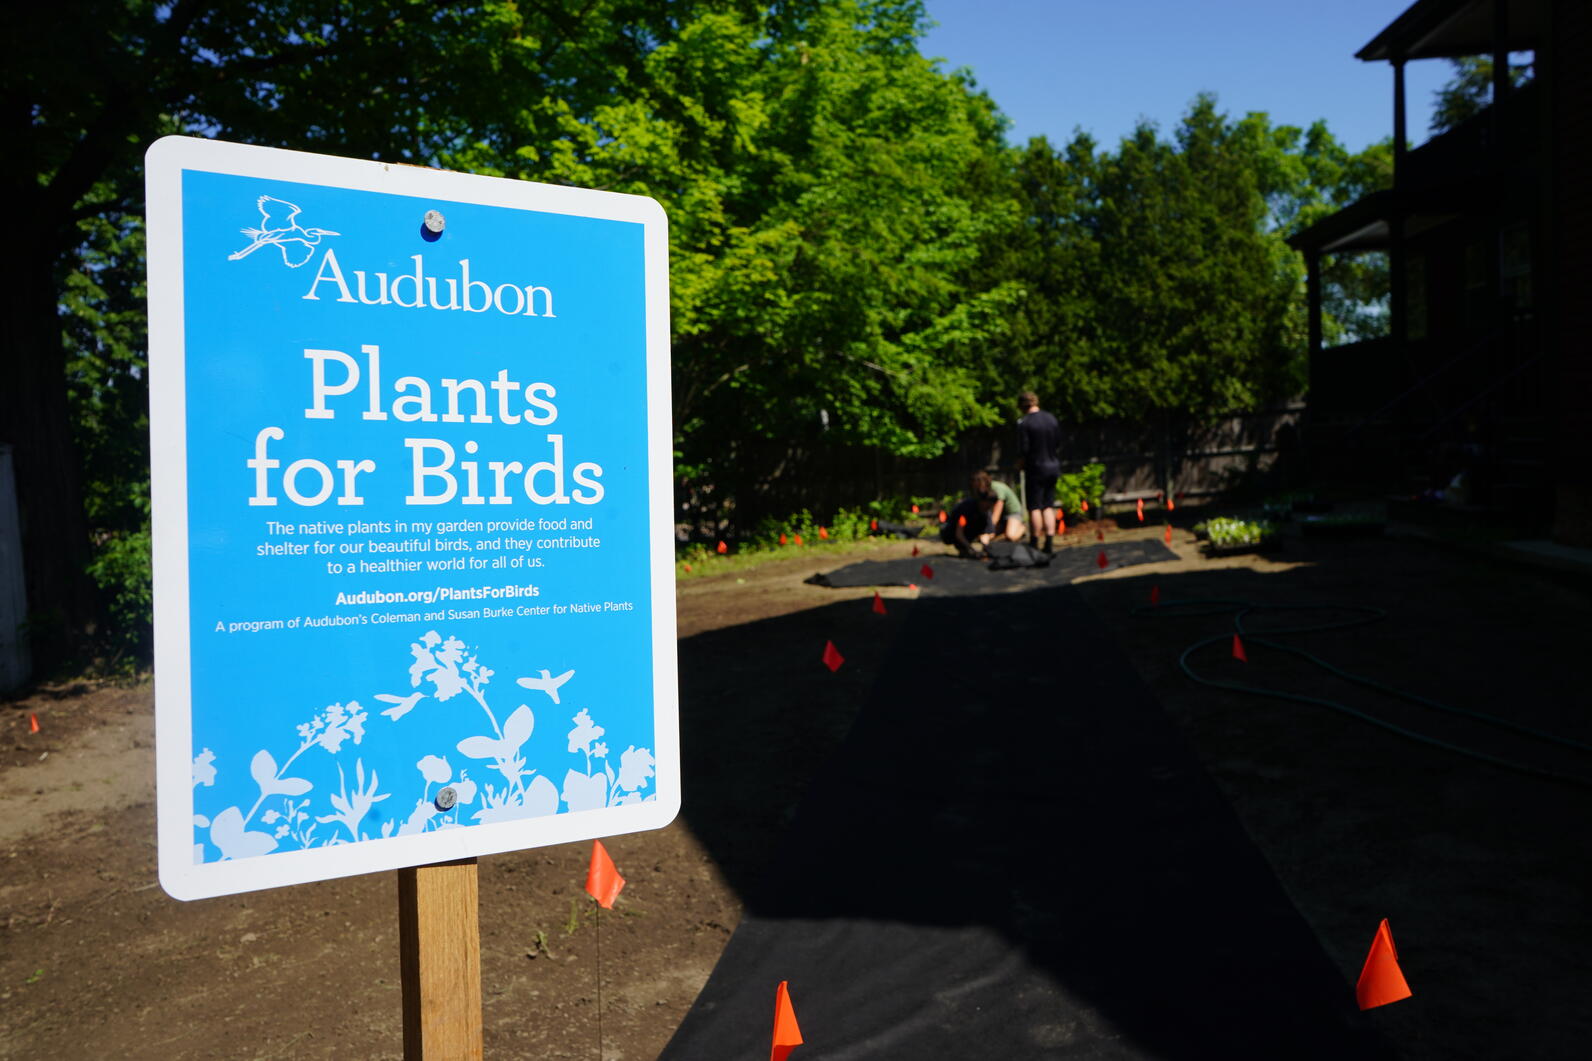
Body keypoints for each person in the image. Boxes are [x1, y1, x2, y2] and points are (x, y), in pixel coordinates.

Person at [1016, 391, 1061, 552]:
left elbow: (1024, 450)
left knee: (1034, 506)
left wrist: (1020, 465)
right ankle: (1049, 542)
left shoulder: (1024, 423)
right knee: (1048, 505)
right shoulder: (1051, 419)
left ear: (1021, 406)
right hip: (1053, 466)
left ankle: (1034, 542)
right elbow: (1057, 443)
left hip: (1035, 468)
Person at [971, 470, 1025, 542]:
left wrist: (989, 530)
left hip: (1012, 512)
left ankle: (1022, 528)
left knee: (1011, 536)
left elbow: (997, 513)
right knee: (988, 535)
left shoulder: (997, 488)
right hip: (1001, 516)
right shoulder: (981, 491)